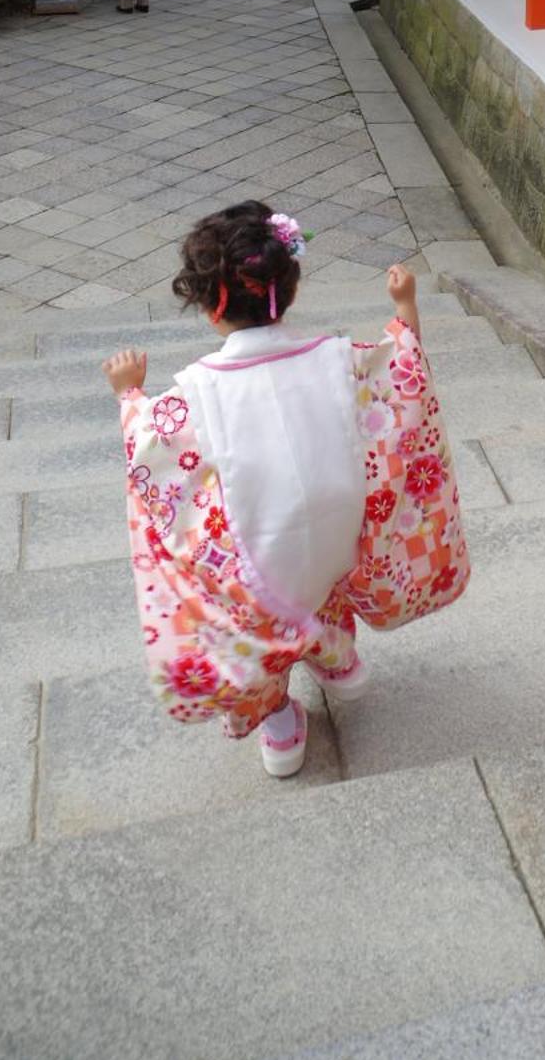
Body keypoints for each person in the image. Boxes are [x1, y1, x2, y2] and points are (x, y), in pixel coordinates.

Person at [101, 205, 469, 779]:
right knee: (323, 581)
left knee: (258, 615)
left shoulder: (197, 394)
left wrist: (129, 396)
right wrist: (405, 309)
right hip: (337, 543)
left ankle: (278, 723)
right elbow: (405, 382)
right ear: (288, 290)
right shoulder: (338, 359)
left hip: (261, 573)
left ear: (209, 307)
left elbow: (155, 465)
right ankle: (337, 659)